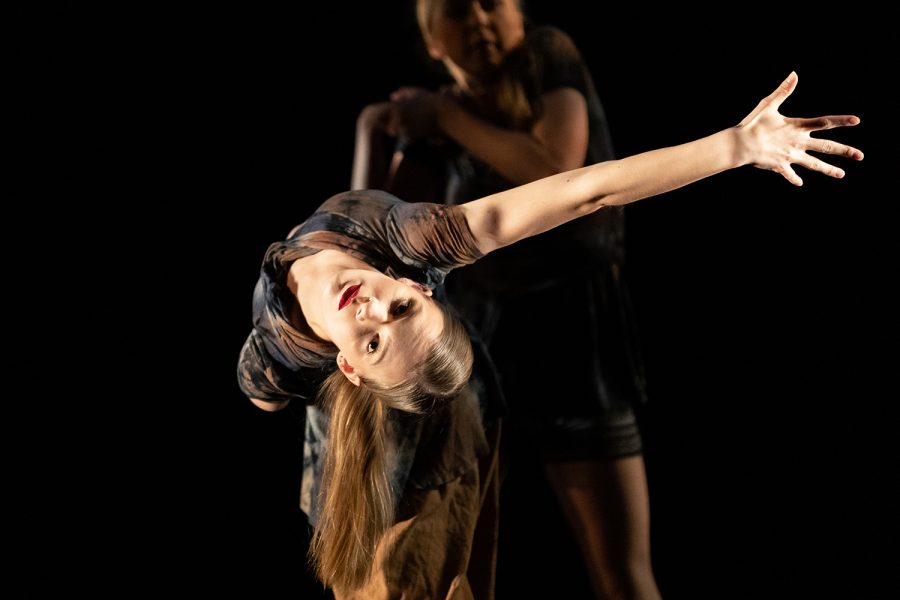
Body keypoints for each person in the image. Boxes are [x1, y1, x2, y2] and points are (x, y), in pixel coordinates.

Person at [238, 69, 861, 600]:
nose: (372, 307)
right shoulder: (328, 318)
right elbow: (589, 190)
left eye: (375, 332)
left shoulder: (323, 318)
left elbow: (585, 193)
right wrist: (736, 145)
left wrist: (736, 146)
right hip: (422, 390)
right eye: (396, 310)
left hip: (442, 410)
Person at [349, 2, 655, 597]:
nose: (482, 20)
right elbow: (368, 235)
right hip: (482, 349)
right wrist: (374, 129)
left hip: (576, 340)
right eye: (460, 11)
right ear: (432, 39)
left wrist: (442, 114)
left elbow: (555, 167)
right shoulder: (436, 116)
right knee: (457, 558)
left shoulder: (547, 56)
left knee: (621, 566)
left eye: (495, 2)